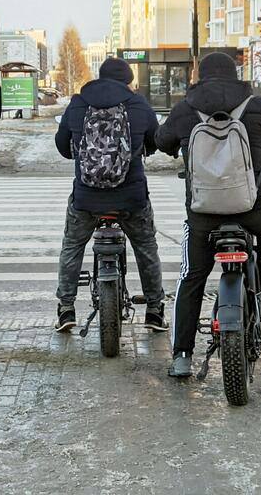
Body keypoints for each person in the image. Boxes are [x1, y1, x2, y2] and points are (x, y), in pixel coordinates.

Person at [155, 52, 261, 378]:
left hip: (204, 214)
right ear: (235, 74)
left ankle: (182, 356)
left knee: (191, 277)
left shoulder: (186, 109)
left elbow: (162, 141)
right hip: (255, 209)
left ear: (200, 76)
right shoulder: (260, 106)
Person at [54, 58, 168, 333]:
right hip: (131, 199)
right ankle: (154, 310)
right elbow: (156, 141)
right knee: (146, 247)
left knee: (72, 246)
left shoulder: (79, 103)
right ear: (128, 80)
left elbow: (62, 144)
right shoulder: (139, 104)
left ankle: (66, 309)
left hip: (87, 199)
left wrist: (79, 152)